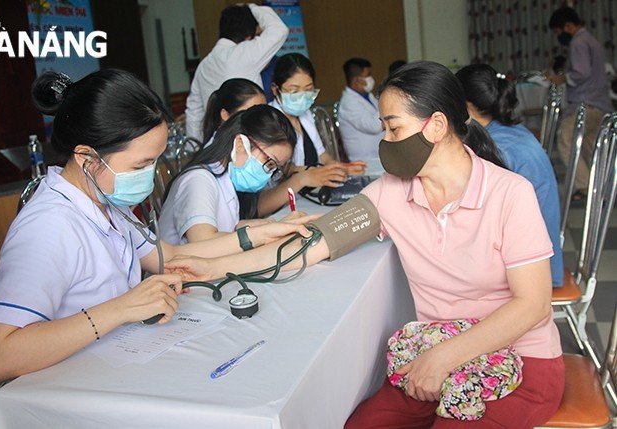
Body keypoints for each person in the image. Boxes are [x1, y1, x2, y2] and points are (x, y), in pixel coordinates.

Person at [173, 61, 564, 428]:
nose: (386, 140)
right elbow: (310, 244)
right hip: (434, 349)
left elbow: (532, 304)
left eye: (394, 128)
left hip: (520, 361)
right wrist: (215, 269)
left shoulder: (509, 194)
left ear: (437, 126)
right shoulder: (389, 194)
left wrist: (443, 358)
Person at [0, 70, 311, 386]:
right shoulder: (48, 226)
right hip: (65, 388)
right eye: (141, 164)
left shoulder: (106, 203)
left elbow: (173, 254)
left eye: (155, 161)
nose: (150, 175)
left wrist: (257, 234)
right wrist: (121, 309)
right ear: (87, 157)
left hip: (111, 368)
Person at [457, 64, 564, 288]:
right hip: (542, 249)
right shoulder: (509, 131)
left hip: (533, 268)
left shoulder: (495, 148)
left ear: (466, 106)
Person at [160, 104, 297, 244]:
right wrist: (262, 233)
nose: (268, 174)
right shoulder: (198, 180)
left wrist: (247, 228)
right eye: (270, 163)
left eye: (275, 169)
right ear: (240, 144)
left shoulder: (230, 182)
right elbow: (203, 242)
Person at [261, 53, 362, 216]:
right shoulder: (267, 121)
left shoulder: (306, 114)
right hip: (279, 204)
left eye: (308, 90)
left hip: (308, 196)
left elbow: (321, 154)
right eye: (294, 91)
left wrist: (336, 167)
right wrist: (309, 173)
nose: (302, 96)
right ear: (275, 89)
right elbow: (276, 170)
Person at [185, 3, 288, 142]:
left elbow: (194, 113)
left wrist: (195, 149)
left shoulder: (203, 65)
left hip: (217, 142)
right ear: (248, 36)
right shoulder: (244, 53)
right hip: (250, 136)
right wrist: (252, 7)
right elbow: (279, 29)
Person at [547, 7, 613, 200]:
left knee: (566, 139)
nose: (559, 36)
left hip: (585, 104)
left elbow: (581, 72)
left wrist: (562, 78)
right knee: (590, 146)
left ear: (568, 26)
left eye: (559, 32)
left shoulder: (578, 43)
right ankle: (604, 186)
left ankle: (584, 186)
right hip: (600, 104)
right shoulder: (592, 41)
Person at [338, 58, 384, 161]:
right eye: (367, 76)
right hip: (366, 162)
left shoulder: (369, 96)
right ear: (356, 80)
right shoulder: (349, 103)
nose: (371, 79)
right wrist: (386, 103)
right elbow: (373, 126)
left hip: (379, 157)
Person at [201, 78, 266, 146]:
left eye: (264, 112)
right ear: (225, 115)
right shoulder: (216, 152)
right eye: (251, 114)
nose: (261, 119)